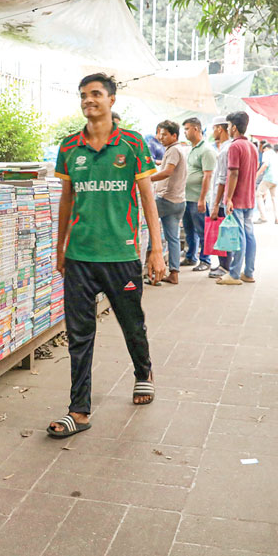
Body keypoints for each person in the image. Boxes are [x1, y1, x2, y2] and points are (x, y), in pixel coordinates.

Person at [49, 73, 165, 438]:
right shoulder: (69, 147)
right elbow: (66, 200)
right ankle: (78, 410)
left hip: (121, 256)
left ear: (111, 100)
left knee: (132, 323)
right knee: (79, 335)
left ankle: (143, 370)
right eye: (84, 95)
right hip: (80, 257)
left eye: (96, 94)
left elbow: (147, 198)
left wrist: (156, 249)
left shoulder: (132, 143)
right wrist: (60, 247)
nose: (88, 100)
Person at [217, 112, 258, 286]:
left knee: (240, 237)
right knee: (249, 235)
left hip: (238, 199)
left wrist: (228, 198)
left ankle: (234, 274)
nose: (227, 129)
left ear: (233, 127)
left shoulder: (234, 146)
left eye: (228, 126)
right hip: (249, 198)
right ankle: (248, 272)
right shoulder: (252, 147)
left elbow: (233, 173)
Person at [148, 120, 188, 285]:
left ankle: (150, 270)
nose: (160, 137)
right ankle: (173, 273)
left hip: (166, 199)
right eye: (159, 134)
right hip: (178, 201)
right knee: (173, 239)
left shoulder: (173, 150)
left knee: (149, 228)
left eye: (164, 134)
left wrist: (146, 179)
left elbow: (167, 172)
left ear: (174, 135)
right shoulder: (179, 149)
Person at [181, 117, 217, 272]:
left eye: (187, 129)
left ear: (196, 129)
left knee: (203, 231)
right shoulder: (192, 149)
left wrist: (202, 199)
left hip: (198, 198)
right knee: (189, 230)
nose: (184, 132)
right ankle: (191, 257)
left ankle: (205, 260)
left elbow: (207, 176)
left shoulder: (207, 150)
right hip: (187, 197)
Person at [208, 116, 233, 278]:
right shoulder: (225, 148)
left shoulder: (226, 150)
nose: (213, 132)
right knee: (223, 233)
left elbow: (222, 180)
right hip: (223, 198)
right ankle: (224, 265)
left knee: (224, 234)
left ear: (219, 129)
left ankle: (225, 267)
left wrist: (216, 204)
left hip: (222, 200)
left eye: (213, 129)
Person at [255, 143, 278, 225]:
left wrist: (257, 174)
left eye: (263, 150)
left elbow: (265, 165)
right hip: (277, 178)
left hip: (269, 177)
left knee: (258, 194)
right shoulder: (276, 155)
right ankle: (277, 218)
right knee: (274, 198)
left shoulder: (266, 153)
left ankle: (263, 217)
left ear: (266, 148)